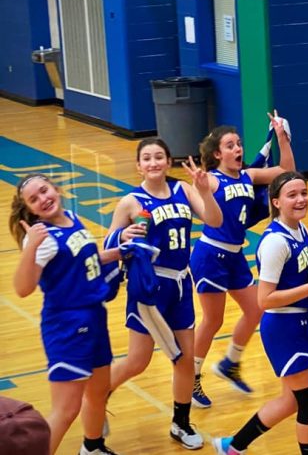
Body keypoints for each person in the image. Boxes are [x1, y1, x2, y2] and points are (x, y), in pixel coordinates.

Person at [104, 138, 222, 450]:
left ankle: (180, 423)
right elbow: (108, 244)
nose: (154, 162)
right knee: (137, 361)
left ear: (169, 161)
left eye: (159, 157)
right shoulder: (130, 201)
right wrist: (122, 235)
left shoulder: (183, 189)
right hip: (149, 287)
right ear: (138, 166)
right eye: (147, 158)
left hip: (181, 285)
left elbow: (215, 220)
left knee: (185, 359)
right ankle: (98, 394)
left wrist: (205, 191)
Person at [212, 171, 308, 455]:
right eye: (292, 195)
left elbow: (296, 276)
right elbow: (264, 299)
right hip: (283, 328)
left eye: (304, 192)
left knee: (291, 401)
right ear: (276, 202)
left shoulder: (300, 229)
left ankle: (232, 446)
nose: (301, 199)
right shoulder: (275, 242)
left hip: (300, 322)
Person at [10, 173, 120, 454]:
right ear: (30, 209)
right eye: (34, 199)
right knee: (66, 409)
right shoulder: (41, 238)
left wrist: (118, 252)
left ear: (55, 189)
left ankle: (93, 447)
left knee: (98, 392)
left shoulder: (71, 217)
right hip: (67, 325)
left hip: (95, 317)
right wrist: (31, 246)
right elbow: (22, 288)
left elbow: (84, 260)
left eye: (44, 191)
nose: (43, 199)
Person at [191, 113, 294, 408]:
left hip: (235, 256)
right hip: (210, 255)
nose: (238, 149)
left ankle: (230, 363)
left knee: (256, 309)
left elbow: (286, 171)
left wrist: (282, 137)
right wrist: (200, 186)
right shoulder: (213, 179)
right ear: (217, 154)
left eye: (239, 144)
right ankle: (191, 376)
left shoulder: (248, 176)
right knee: (213, 320)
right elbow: (201, 191)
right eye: (230, 145)